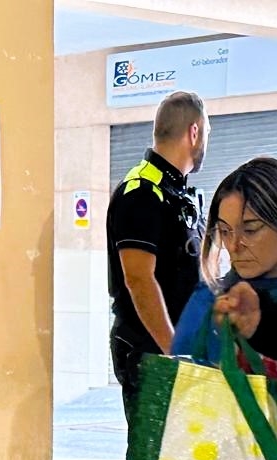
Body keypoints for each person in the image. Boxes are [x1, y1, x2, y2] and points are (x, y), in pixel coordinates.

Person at [106, 91, 209, 423]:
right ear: (194, 132)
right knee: (154, 452)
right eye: (207, 133)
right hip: (154, 357)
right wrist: (176, 353)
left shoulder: (178, 193)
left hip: (177, 353)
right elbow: (138, 279)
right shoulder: (142, 191)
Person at [172, 157, 277, 379]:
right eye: (225, 231)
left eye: (250, 230)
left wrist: (265, 327)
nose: (233, 246)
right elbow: (177, 385)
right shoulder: (210, 301)